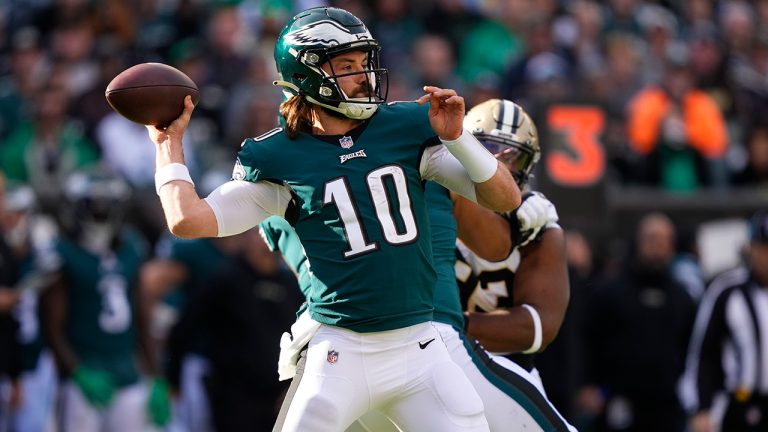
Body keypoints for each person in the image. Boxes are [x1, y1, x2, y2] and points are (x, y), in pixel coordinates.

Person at [145, 6, 519, 432]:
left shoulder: (406, 128)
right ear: (306, 75)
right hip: (341, 354)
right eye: (346, 66)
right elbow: (187, 220)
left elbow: (504, 198)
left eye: (364, 62)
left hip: (420, 347)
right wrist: (168, 145)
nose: (363, 75)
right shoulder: (280, 156)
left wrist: (459, 138)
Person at [261, 99, 575, 431]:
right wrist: (437, 321)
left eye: (514, 157)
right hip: (424, 343)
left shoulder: (537, 223)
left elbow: (537, 328)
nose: (499, 162)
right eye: (487, 149)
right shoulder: (421, 174)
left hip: (368, 347)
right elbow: (496, 245)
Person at [38, 168, 170, 432]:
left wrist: (157, 376)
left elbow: (142, 315)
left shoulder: (131, 247)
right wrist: (76, 371)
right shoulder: (63, 253)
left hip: (127, 371)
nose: (102, 212)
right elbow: (51, 325)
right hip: (84, 372)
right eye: (94, 205)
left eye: (108, 205)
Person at [166, 228, 304, 431]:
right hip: (233, 396)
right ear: (245, 237)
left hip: (279, 398)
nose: (265, 241)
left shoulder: (292, 285)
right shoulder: (225, 279)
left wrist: (294, 388)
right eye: (258, 232)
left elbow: (304, 340)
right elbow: (184, 329)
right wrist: (172, 380)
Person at [583, 212, 696, 432]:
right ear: (638, 241)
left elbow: (691, 348)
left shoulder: (682, 298)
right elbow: (588, 339)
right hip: (618, 400)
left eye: (665, 240)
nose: (658, 247)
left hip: (667, 404)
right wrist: (587, 385)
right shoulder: (609, 292)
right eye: (652, 239)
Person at [678, 210, 768, 432]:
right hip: (739, 402)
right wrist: (701, 406)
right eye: (763, 248)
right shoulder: (728, 290)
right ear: (751, 248)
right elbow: (703, 352)